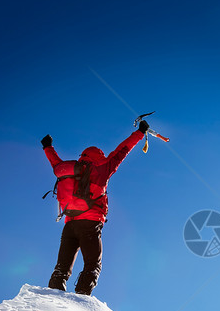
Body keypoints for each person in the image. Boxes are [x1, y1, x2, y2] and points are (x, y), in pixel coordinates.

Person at [41, 120, 148, 295]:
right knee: (92, 264)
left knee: (62, 265)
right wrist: (140, 132)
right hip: (90, 224)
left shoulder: (69, 169)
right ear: (100, 155)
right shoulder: (103, 167)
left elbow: (55, 163)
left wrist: (47, 147)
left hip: (69, 223)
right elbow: (123, 150)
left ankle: (54, 294)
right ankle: (82, 296)